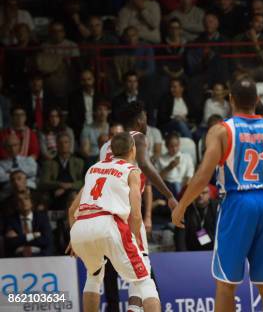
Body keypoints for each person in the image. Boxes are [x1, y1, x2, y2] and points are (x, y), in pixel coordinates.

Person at [171, 77, 263, 312]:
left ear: (230, 100)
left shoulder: (222, 130)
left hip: (238, 203)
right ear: (258, 101)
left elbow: (202, 176)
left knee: (226, 284)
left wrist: (182, 205)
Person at [68, 132, 161, 312]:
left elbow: (72, 209)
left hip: (81, 227)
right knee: (145, 281)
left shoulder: (93, 169)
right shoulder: (131, 171)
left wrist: (73, 239)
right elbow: (135, 215)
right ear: (133, 150)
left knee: (93, 277)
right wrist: (134, 241)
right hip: (108, 224)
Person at [99, 102, 177, 311]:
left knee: (114, 274)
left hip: (104, 216)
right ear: (140, 121)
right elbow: (144, 164)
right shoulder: (138, 137)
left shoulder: (106, 146)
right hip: (127, 214)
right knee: (142, 276)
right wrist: (169, 195)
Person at [40, 132, 84, 210]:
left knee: (73, 196)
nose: (63, 145)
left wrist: (68, 186)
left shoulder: (78, 162)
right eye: (60, 143)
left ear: (70, 144)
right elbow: (44, 182)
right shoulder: (49, 163)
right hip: (54, 193)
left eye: (66, 142)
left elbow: (83, 181)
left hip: (72, 192)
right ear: (56, 145)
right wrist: (60, 184)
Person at [175, 186, 218, 251]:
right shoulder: (184, 209)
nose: (200, 195)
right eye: (197, 193)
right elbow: (180, 236)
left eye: (204, 193)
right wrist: (183, 255)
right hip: (191, 249)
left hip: (213, 249)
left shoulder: (217, 207)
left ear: (209, 194)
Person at [155, 132, 195, 197]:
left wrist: (184, 188)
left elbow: (190, 174)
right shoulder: (160, 159)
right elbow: (157, 179)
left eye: (176, 146)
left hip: (182, 186)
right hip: (166, 186)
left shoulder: (186, 157)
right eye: (171, 146)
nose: (174, 149)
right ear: (166, 146)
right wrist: (168, 168)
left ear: (179, 144)